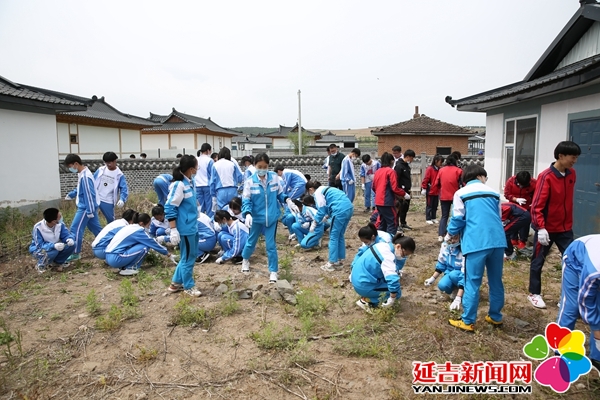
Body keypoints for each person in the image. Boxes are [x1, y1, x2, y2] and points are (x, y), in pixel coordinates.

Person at [447, 165, 506, 332]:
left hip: (476, 242)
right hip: (498, 241)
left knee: (472, 281)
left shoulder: (461, 193)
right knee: (496, 280)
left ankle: (468, 321)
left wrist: (450, 233)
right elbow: (498, 217)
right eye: (485, 177)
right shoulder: (494, 193)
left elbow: (457, 218)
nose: (485, 180)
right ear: (480, 176)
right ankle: (495, 316)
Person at [528, 141, 580, 309]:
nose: (574, 161)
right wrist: (540, 227)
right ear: (561, 156)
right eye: (573, 157)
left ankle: (568, 296)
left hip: (565, 229)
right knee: (538, 261)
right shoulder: (546, 177)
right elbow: (537, 205)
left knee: (572, 263)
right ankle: (534, 293)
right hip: (547, 229)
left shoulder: (572, 175)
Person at [241, 153, 298, 282]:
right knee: (251, 242)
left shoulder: (274, 178)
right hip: (256, 218)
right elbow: (246, 200)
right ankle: (245, 260)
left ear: (268, 166)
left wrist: (288, 200)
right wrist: (248, 213)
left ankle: (273, 271)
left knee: (270, 246)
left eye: (265, 166)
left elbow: (280, 194)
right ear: (255, 165)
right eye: (259, 166)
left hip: (271, 217)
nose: (262, 169)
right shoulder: (250, 181)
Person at [556, 235, 600, 372]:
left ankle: (597, 358)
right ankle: (559, 353)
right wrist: (597, 329)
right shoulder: (595, 270)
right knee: (571, 307)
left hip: (591, 258)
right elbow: (585, 300)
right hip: (574, 259)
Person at [165, 155, 202, 297]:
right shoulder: (178, 185)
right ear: (191, 169)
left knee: (188, 255)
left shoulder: (190, 182)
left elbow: (192, 201)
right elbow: (170, 207)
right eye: (197, 167)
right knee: (188, 257)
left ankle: (176, 283)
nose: (198, 169)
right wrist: (173, 229)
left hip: (192, 225)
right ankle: (189, 286)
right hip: (185, 228)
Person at [351, 234, 415, 312]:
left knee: (387, 283)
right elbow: (393, 280)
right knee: (397, 292)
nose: (403, 257)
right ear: (398, 247)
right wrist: (392, 298)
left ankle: (371, 296)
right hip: (363, 285)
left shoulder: (382, 245)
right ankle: (367, 301)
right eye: (404, 254)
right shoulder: (388, 257)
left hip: (357, 278)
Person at [305, 181, 354, 272]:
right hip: (349, 208)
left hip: (339, 210)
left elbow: (321, 209)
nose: (310, 194)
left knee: (333, 236)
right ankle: (340, 259)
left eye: (309, 192)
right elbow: (330, 204)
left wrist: (315, 222)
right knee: (340, 235)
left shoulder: (318, 193)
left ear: (311, 189)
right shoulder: (327, 189)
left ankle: (331, 263)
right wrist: (327, 215)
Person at [63, 154, 102, 261]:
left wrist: (89, 210)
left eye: (71, 166)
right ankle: (108, 244)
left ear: (76, 164)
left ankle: (75, 252)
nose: (70, 169)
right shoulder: (83, 174)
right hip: (89, 207)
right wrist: (71, 194)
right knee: (97, 229)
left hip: (85, 208)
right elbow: (81, 189)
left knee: (75, 229)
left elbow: (89, 195)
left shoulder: (85, 176)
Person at [105, 213, 170, 276]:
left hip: (109, 256)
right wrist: (167, 253)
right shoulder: (138, 231)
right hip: (116, 258)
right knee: (145, 246)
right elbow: (152, 242)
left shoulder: (130, 227)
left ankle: (123, 267)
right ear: (142, 223)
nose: (149, 227)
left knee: (138, 245)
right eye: (148, 225)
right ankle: (130, 268)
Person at [424, 234, 465, 311]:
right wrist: (432, 278)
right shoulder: (445, 246)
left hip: (462, 275)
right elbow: (441, 264)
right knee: (443, 285)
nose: (452, 241)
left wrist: (458, 298)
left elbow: (465, 274)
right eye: (451, 238)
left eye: (455, 238)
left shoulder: (465, 250)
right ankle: (455, 289)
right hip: (450, 273)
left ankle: (464, 292)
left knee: (454, 275)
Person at [372, 152, 409, 237]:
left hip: (378, 201)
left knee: (382, 222)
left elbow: (373, 187)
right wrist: (404, 194)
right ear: (391, 161)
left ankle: (380, 241)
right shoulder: (391, 172)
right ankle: (389, 242)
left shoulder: (377, 171)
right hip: (387, 201)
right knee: (393, 222)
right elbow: (394, 188)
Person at [29, 208, 75, 273]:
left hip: (56, 246)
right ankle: (41, 265)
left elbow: (65, 234)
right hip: (38, 249)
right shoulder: (38, 228)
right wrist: (53, 246)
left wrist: (69, 239)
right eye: (59, 217)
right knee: (53, 252)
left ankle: (57, 263)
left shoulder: (60, 224)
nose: (61, 217)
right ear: (53, 221)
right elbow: (39, 245)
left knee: (72, 245)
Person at [91, 151, 129, 223]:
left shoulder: (119, 174)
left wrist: (122, 199)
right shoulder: (101, 170)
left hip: (108, 200)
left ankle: (112, 233)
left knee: (111, 220)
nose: (108, 164)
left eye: (110, 162)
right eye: (106, 162)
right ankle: (99, 233)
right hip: (96, 197)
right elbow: (92, 181)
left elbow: (124, 188)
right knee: (91, 217)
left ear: (115, 161)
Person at [432, 155, 462, 242]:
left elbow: (436, 183)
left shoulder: (441, 170)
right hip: (455, 196)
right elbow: (462, 183)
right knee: (455, 215)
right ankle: (454, 234)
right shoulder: (459, 171)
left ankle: (441, 235)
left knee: (444, 216)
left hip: (444, 196)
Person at [504, 171, 537, 249]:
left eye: (524, 185)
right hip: (513, 206)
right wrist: (515, 199)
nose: (521, 187)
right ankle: (513, 239)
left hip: (526, 206)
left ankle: (523, 240)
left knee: (525, 223)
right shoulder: (510, 181)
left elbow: (536, 194)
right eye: (520, 184)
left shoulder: (534, 183)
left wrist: (534, 202)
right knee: (513, 222)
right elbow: (506, 194)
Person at [210, 147, 243, 211]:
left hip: (221, 191)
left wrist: (213, 195)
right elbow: (240, 178)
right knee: (234, 211)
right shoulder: (232, 164)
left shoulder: (215, 165)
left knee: (222, 212)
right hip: (233, 190)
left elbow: (212, 182)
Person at [394, 149, 415, 230]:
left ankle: (403, 223)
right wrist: (399, 192)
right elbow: (396, 179)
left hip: (407, 190)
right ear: (408, 157)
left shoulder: (407, 166)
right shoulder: (399, 166)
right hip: (400, 191)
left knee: (405, 208)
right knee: (399, 208)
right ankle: (396, 224)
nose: (412, 160)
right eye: (412, 158)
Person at [421, 155, 444, 224]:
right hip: (430, 190)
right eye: (440, 162)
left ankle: (433, 217)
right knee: (429, 205)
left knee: (435, 205)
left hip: (437, 190)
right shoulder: (430, 169)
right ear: (436, 161)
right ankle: (428, 218)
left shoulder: (440, 169)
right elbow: (426, 179)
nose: (441, 163)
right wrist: (424, 188)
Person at [195, 143, 214, 217]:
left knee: (200, 205)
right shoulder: (210, 160)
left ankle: (201, 219)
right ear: (208, 150)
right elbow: (212, 174)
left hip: (197, 185)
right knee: (209, 205)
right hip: (207, 185)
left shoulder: (196, 159)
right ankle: (209, 221)